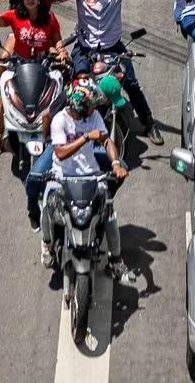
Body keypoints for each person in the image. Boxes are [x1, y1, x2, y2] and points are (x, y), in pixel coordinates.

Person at [52, 0, 164, 146]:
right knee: (77, 82)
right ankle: (72, 124)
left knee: (131, 84)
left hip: (114, 48)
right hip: (85, 48)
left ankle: (149, 125)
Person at [40, 79, 131, 280]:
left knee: (109, 214)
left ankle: (116, 261)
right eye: (90, 105)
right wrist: (86, 137)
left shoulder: (95, 116)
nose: (94, 108)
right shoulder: (60, 121)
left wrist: (115, 163)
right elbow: (60, 153)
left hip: (92, 174)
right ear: (79, 106)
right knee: (47, 204)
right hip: (62, 175)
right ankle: (47, 243)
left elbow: (106, 141)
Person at [0, 0, 67, 159]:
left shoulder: (49, 17)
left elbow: (56, 38)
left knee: (56, 95)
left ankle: (58, 134)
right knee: (5, 103)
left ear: (39, 0)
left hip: (43, 64)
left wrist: (61, 51)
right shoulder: (15, 16)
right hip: (19, 64)